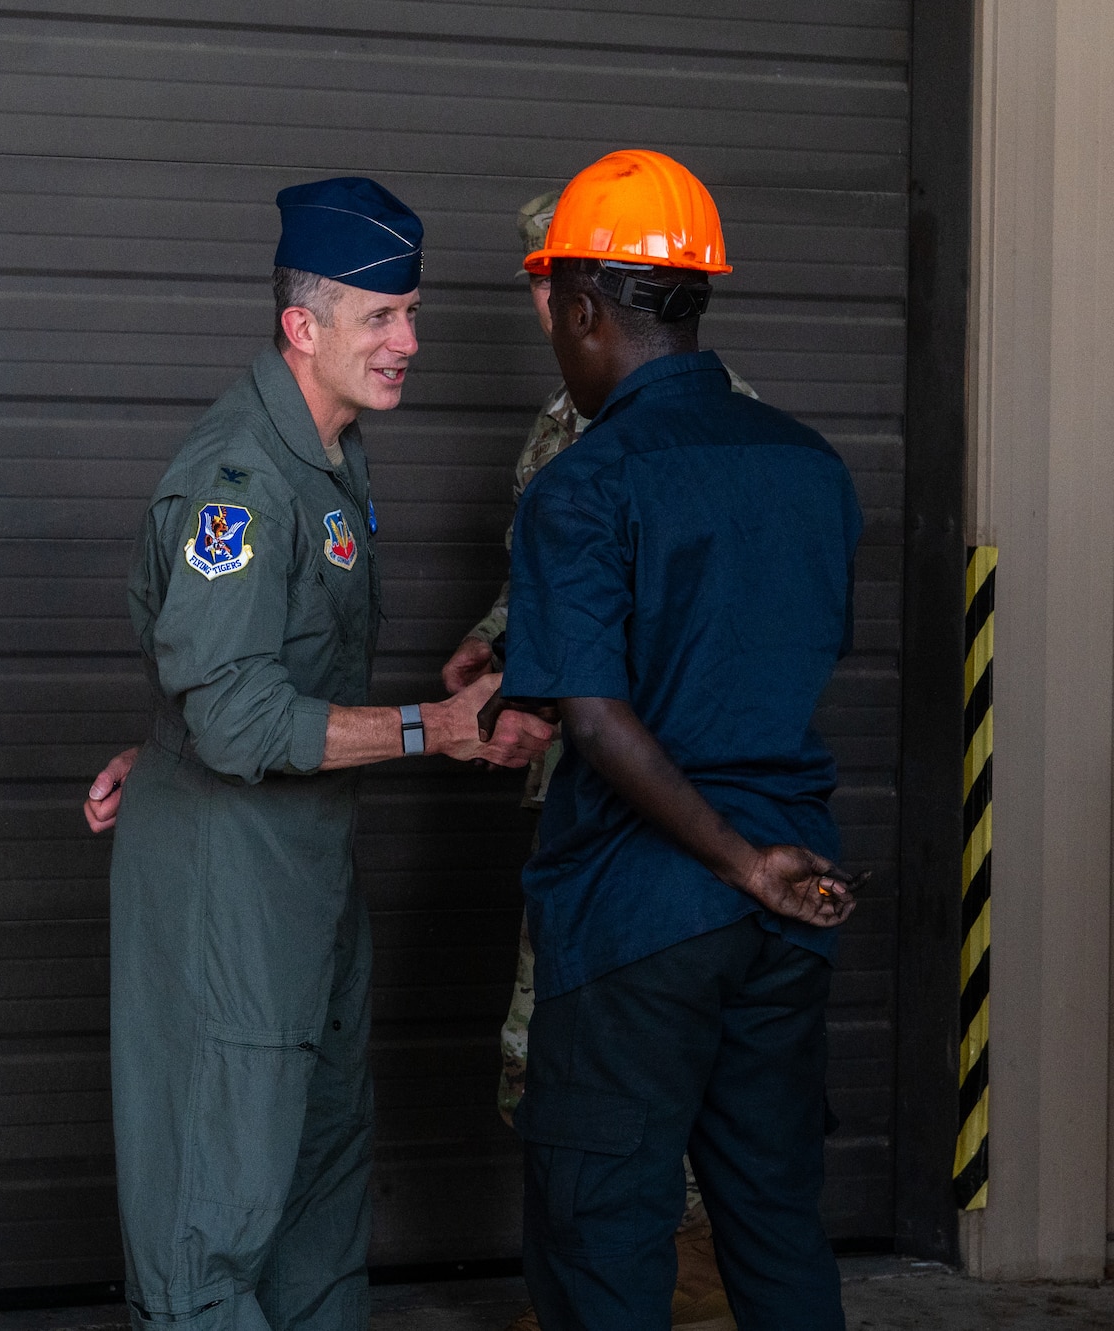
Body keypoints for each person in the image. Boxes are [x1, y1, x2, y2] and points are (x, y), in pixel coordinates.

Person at [82, 177, 553, 1331]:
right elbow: (238, 717)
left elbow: (230, 673)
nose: (408, 341)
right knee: (215, 1195)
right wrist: (430, 725)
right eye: (379, 316)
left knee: (316, 1170)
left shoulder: (328, 454)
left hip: (304, 864)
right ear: (302, 325)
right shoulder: (239, 481)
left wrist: (170, 740)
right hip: (230, 881)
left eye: (410, 313)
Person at [492, 149, 859, 1330]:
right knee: (772, 1214)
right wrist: (761, 861)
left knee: (602, 1227)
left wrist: (731, 859)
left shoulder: (581, 484)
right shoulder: (809, 465)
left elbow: (596, 717)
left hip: (637, 916)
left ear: (583, 309)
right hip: (790, 899)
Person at [447, 190, 759, 1331]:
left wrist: (546, 686)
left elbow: (690, 615)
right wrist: (497, 640)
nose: (544, 303)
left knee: (635, 1044)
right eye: (534, 281)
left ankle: (678, 1277)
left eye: (557, 279)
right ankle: (588, 1283)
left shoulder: (706, 424)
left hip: (662, 795)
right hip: (577, 794)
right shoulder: (560, 419)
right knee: (551, 1045)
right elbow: (555, 576)